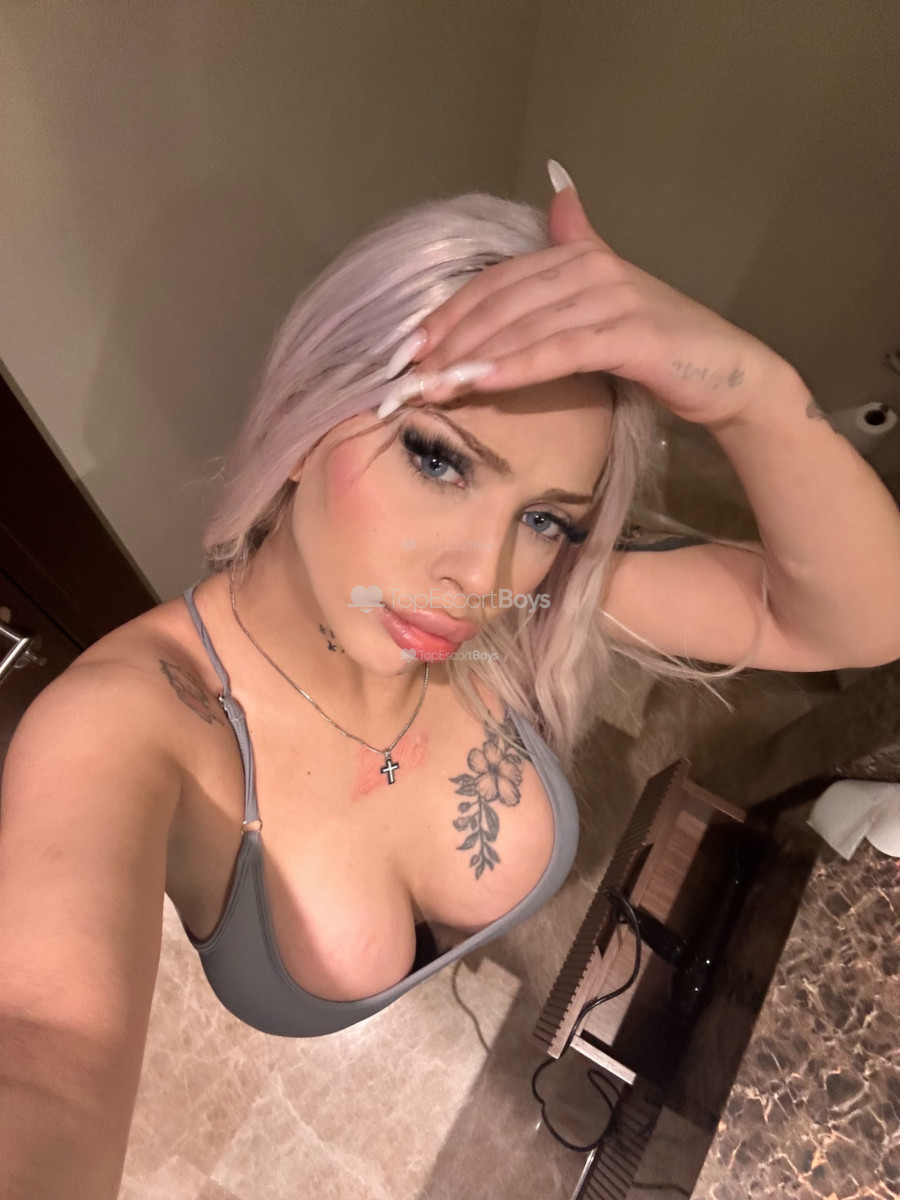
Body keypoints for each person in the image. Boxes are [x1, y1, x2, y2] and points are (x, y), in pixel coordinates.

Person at [2, 160, 899, 1200]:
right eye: (438, 459)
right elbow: (45, 1052)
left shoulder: (531, 599)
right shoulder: (133, 724)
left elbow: (856, 617)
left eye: (547, 518)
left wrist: (746, 387)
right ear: (303, 419)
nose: (482, 578)